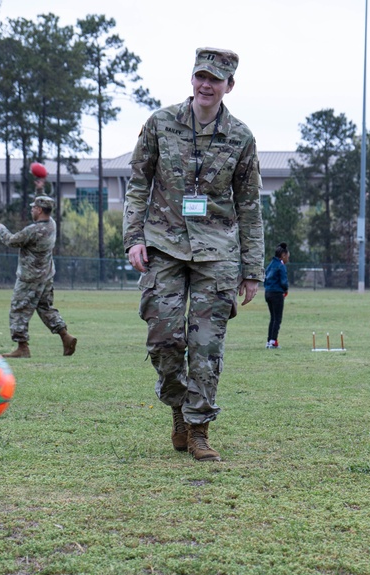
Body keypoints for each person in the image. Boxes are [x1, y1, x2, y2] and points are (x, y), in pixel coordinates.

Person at [122, 47, 265, 462]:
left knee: (207, 346)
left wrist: (251, 269)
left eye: (215, 79)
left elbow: (250, 207)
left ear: (229, 86)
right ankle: (178, 409)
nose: (206, 84)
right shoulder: (160, 123)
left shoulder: (241, 137)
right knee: (164, 340)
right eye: (201, 75)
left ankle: (199, 429)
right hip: (163, 246)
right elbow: (137, 184)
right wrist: (134, 238)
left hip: (217, 253)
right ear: (193, 79)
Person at [0, 195, 77, 359]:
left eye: (34, 207)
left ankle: (22, 347)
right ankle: (65, 337)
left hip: (29, 278)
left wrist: (0, 229)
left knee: (18, 310)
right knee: (46, 309)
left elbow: (11, 241)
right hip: (46, 276)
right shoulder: (52, 224)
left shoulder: (33, 230)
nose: (32, 209)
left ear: (39, 210)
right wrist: (40, 188)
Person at [264, 242, 289, 348]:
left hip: (268, 293)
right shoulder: (281, 265)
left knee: (273, 318)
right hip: (277, 294)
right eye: (288, 256)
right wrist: (285, 289)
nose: (288, 259)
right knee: (277, 319)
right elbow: (284, 282)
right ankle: (273, 342)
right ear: (283, 255)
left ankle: (269, 340)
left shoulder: (270, 265)